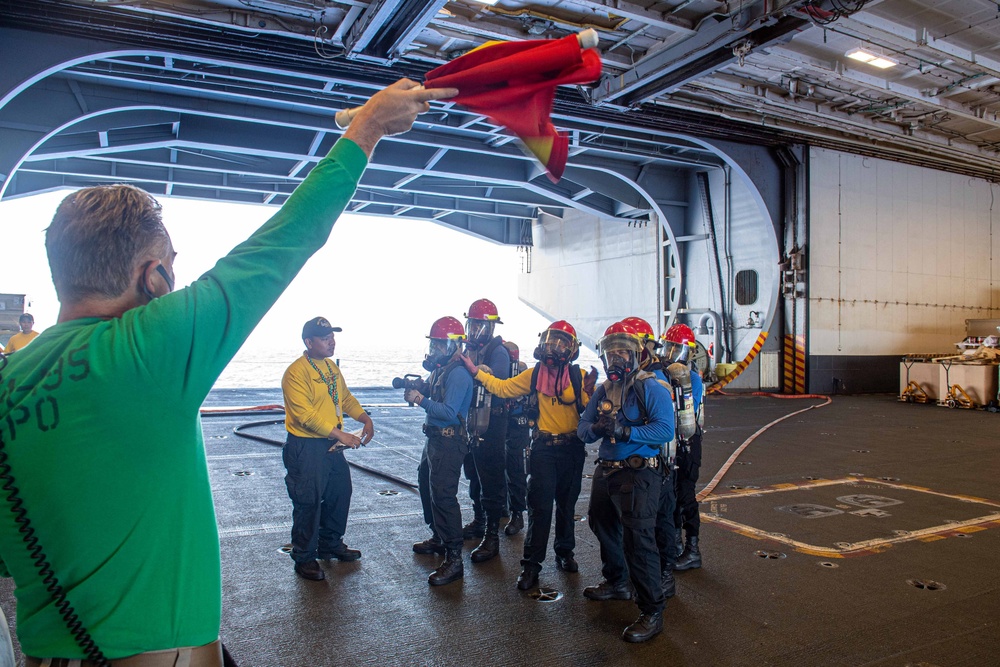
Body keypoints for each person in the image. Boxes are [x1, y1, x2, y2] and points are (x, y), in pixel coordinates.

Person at [0, 79, 456, 665]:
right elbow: (284, 241)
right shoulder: (148, 348)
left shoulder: (12, 377)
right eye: (171, 269)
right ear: (153, 277)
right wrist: (365, 127)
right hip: (160, 654)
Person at [460, 320, 595, 591]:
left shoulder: (579, 377)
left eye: (561, 343)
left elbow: (591, 411)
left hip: (572, 448)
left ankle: (564, 553)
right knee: (540, 508)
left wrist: (593, 394)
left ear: (572, 350)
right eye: (550, 341)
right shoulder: (535, 375)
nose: (553, 348)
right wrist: (476, 373)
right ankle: (531, 566)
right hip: (544, 449)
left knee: (567, 506)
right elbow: (502, 388)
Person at [578, 321, 675, 643]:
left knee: (639, 540)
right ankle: (617, 582)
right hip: (607, 470)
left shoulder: (651, 386)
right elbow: (583, 427)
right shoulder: (605, 389)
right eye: (610, 353)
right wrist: (597, 429)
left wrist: (626, 432)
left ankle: (652, 611)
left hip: (638, 473)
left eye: (622, 352)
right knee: (601, 524)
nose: (616, 358)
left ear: (636, 355)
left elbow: (665, 431)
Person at [281, 317, 374, 581]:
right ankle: (305, 557)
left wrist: (364, 418)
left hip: (332, 444)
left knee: (339, 493)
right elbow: (305, 416)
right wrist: (341, 435)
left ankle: (330, 544)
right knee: (308, 502)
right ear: (309, 342)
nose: (331, 341)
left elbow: (344, 398)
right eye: (324, 338)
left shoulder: (331, 368)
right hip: (306, 446)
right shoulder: (296, 373)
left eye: (332, 336)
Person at [410, 316, 474, 586]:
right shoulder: (440, 370)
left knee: (444, 497)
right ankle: (438, 535)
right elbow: (436, 393)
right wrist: (421, 388)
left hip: (449, 441)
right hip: (434, 440)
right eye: (434, 344)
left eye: (440, 344)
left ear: (454, 346)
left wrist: (420, 400)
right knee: (427, 485)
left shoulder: (458, 374)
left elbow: (449, 412)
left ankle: (454, 559)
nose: (435, 349)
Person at [623, 315, 678, 596]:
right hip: (641, 461)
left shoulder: (656, 378)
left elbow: (665, 428)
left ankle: (666, 573)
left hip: (661, 459)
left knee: (661, 518)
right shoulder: (633, 377)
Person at [460, 298, 510, 563]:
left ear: (491, 328)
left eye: (481, 326)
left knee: (490, 476)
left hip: (493, 421)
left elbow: (499, 378)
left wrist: (478, 370)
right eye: (473, 325)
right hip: (474, 420)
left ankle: (492, 536)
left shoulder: (497, 351)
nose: (476, 331)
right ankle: (479, 521)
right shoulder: (469, 349)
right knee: (474, 473)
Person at [660, 323, 706, 571]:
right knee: (672, 495)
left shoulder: (692, 379)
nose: (669, 354)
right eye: (668, 347)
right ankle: (676, 543)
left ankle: (692, 549)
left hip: (688, 444)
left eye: (675, 349)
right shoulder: (664, 375)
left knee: (686, 495)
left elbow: (685, 414)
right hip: (672, 443)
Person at [502, 342, 529, 537]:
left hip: (518, 426)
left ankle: (517, 514)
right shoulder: (498, 369)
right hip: (501, 423)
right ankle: (501, 509)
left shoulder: (523, 373)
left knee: (516, 470)